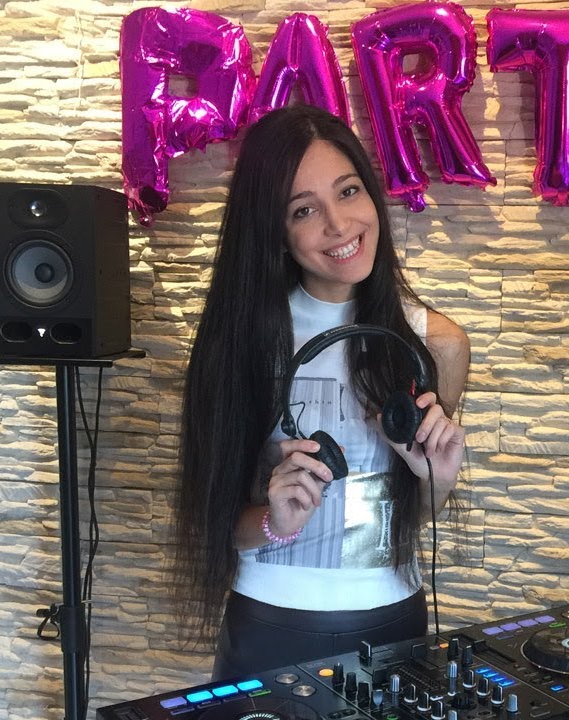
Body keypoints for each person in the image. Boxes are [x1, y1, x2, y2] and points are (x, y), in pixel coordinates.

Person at [171, 104, 470, 680]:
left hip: (393, 622)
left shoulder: (437, 345)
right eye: (304, 210)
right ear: (276, 232)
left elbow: (415, 515)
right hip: (268, 623)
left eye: (349, 191)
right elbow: (215, 520)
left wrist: (437, 480)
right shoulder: (244, 340)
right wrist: (275, 520)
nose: (338, 224)